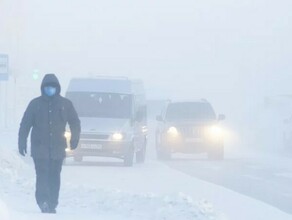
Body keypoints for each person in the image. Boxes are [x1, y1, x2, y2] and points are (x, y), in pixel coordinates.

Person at [18, 74, 81, 214]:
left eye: (52, 87)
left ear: (57, 88)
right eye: (47, 87)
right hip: (39, 149)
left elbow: (75, 122)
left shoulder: (65, 104)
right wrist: (21, 141)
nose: (50, 89)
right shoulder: (35, 104)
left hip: (58, 148)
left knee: (54, 176)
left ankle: (52, 203)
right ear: (42, 88)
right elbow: (25, 124)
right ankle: (43, 202)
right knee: (42, 175)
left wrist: (75, 138)